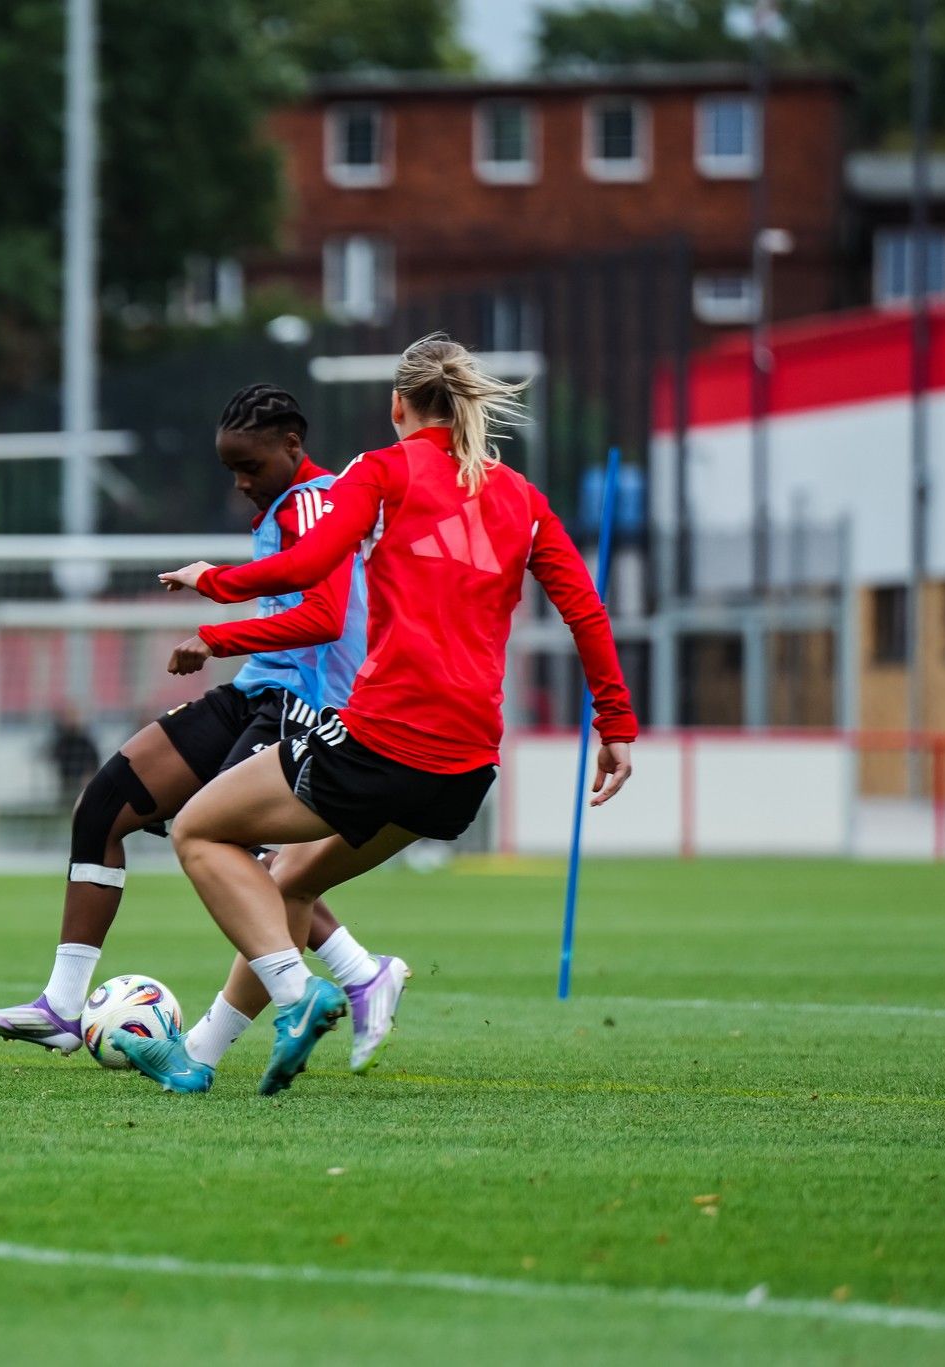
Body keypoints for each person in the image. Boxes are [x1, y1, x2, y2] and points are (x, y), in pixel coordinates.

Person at [116, 335, 637, 1095]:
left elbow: (304, 567)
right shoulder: (523, 499)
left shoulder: (382, 472)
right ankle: (199, 1055)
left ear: (396, 405)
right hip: (463, 773)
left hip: (380, 741)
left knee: (199, 828)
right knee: (288, 880)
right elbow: (586, 610)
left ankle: (300, 996)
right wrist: (616, 725)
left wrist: (214, 581)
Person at [0, 384, 408, 1072]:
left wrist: (217, 632)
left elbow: (324, 617)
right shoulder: (285, 502)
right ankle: (59, 1006)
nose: (240, 482)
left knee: (236, 848)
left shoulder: (319, 502)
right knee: (105, 804)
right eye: (231, 468)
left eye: (251, 466)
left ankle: (351, 972)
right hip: (254, 690)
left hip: (300, 705)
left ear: (294, 446)